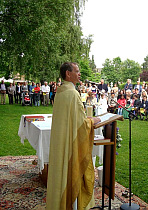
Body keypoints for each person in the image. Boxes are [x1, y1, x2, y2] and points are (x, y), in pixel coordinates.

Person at [46, 62, 100, 210]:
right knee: (71, 172)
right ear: (68, 74)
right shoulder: (72, 93)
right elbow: (81, 125)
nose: (79, 73)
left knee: (60, 174)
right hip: (71, 144)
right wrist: (92, 121)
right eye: (77, 71)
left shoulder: (61, 91)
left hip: (61, 141)